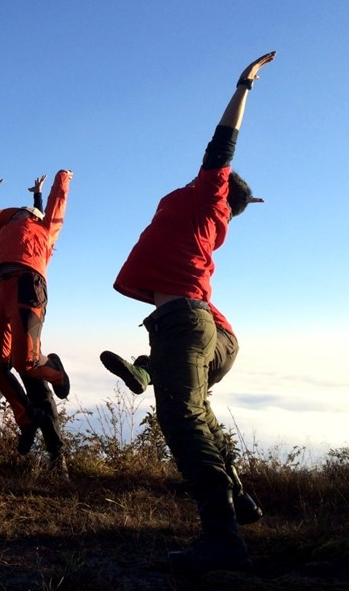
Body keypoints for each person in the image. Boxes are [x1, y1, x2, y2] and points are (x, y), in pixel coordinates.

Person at [109, 52, 275, 572]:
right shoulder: (205, 216)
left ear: (225, 192)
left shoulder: (209, 198)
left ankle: (222, 539)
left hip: (188, 324)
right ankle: (240, 502)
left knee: (180, 423)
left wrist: (242, 86)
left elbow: (221, 143)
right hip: (194, 327)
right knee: (197, 415)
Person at [99, 302, 263, 525]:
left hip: (206, 336)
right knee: (199, 410)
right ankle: (241, 500)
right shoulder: (188, 299)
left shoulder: (182, 295)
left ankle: (221, 531)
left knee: (183, 417)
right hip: (225, 343)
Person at [0, 174, 65, 471]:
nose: (20, 214)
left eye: (27, 213)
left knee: (31, 370)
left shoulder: (42, 234)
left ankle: (57, 454)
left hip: (27, 288)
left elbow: (51, 212)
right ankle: (23, 424)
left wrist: (58, 181)